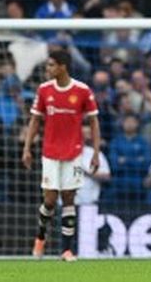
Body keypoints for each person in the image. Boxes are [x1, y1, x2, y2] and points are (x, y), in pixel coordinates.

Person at [22, 50, 100, 262]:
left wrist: (96, 152)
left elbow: (93, 121)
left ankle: (66, 250)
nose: (48, 69)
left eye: (51, 65)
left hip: (74, 152)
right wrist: (27, 148)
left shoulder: (82, 91)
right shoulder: (44, 90)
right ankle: (40, 237)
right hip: (50, 152)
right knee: (49, 200)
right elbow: (35, 120)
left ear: (62, 66)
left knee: (68, 200)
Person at [75, 124, 111, 205]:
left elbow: (107, 176)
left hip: (89, 202)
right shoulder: (65, 153)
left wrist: (88, 173)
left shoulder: (95, 153)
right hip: (67, 202)